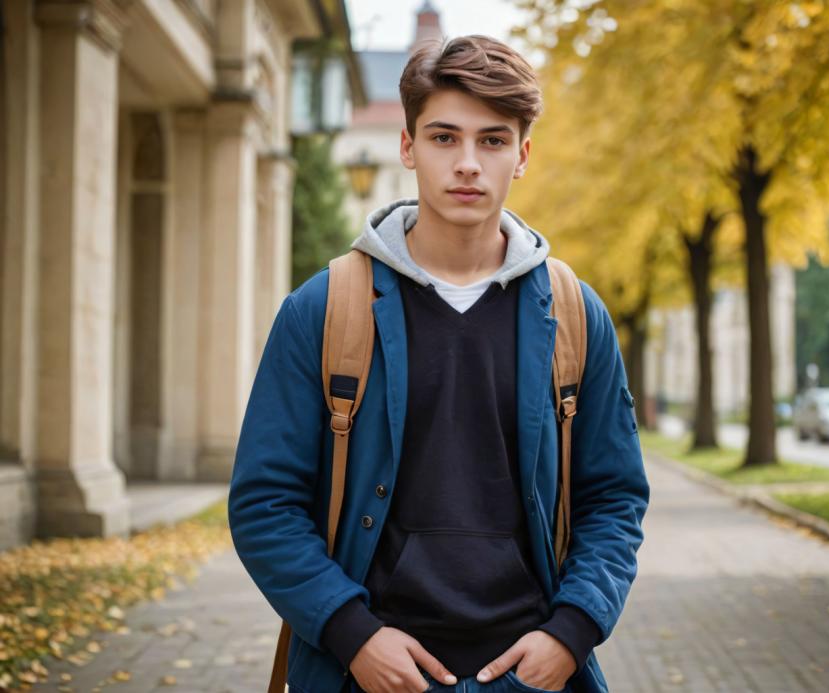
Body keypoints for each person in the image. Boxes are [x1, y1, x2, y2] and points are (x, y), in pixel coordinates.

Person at [228, 34, 649, 693]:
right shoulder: (325, 308)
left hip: (531, 673)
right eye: (444, 137)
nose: (468, 165)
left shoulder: (575, 313)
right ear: (407, 146)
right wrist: (350, 631)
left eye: (492, 140)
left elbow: (615, 495)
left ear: (523, 154)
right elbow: (264, 501)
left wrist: (571, 631)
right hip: (366, 672)